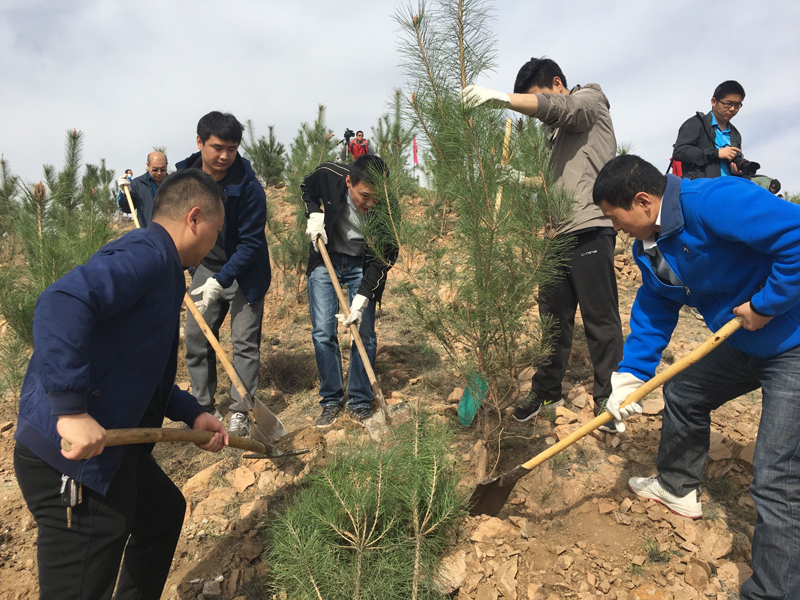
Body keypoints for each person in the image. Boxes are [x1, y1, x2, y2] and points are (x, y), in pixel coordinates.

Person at [14, 169, 229, 600]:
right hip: (72, 458)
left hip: (111, 446)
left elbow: (138, 369)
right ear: (194, 218)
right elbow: (61, 302)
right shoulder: (148, 256)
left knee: (162, 512)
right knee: (88, 563)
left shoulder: (165, 268)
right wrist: (71, 412)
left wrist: (193, 414)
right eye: (216, 230)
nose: (215, 242)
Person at [593, 154, 800, 600]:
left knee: (777, 476)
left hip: (793, 341)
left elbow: (797, 234)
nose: (615, 228)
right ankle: (676, 487)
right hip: (743, 342)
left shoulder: (715, 201)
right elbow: (655, 303)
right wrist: (630, 374)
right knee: (685, 389)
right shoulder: (649, 246)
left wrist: (767, 304)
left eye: (615, 218)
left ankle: (774, 592)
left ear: (643, 201)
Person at [461, 57, 623, 428]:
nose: (536, 114)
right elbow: (558, 183)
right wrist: (523, 179)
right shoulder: (553, 135)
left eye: (534, 100)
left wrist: (503, 99)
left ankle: (608, 397)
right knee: (552, 320)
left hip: (590, 227)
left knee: (600, 320)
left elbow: (563, 108)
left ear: (556, 82)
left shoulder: (589, 100)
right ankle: (547, 389)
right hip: (556, 235)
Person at [178, 111, 271, 438]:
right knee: (196, 338)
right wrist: (191, 269)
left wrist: (222, 280)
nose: (225, 156)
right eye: (217, 147)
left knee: (244, 343)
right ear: (200, 142)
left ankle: (241, 410)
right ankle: (201, 406)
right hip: (206, 265)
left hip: (246, 271)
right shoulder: (185, 181)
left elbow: (250, 243)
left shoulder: (248, 187)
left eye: (232, 148)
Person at [302, 155, 398, 427]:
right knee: (322, 332)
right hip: (327, 257)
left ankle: (358, 399)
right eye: (365, 196)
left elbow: (386, 255)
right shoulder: (328, 175)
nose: (371, 204)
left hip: (362, 263)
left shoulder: (389, 207)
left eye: (376, 197)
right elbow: (306, 188)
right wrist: (314, 212)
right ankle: (331, 400)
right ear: (348, 182)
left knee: (364, 333)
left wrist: (363, 297)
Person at [673, 80, 746, 180]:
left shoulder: (735, 135)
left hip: (727, 190)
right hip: (701, 189)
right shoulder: (697, 123)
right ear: (713, 101)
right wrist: (716, 153)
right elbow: (679, 151)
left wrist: (736, 171)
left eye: (737, 105)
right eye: (728, 104)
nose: (733, 109)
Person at [117, 152, 169, 227]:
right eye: (155, 170)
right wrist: (124, 193)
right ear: (148, 165)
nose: (159, 173)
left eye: (163, 169)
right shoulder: (137, 184)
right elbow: (126, 208)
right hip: (146, 232)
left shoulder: (174, 184)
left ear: (167, 165)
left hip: (170, 234)